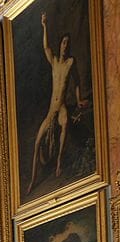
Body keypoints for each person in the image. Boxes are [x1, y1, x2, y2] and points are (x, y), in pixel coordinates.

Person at [27, 13, 88, 195]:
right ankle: (32, 181)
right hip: (50, 111)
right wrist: (44, 25)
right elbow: (45, 46)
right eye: (63, 43)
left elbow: (76, 82)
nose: (65, 46)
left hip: (61, 107)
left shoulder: (70, 63)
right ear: (60, 44)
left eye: (68, 44)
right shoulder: (54, 62)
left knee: (66, 124)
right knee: (37, 143)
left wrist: (78, 100)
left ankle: (60, 161)